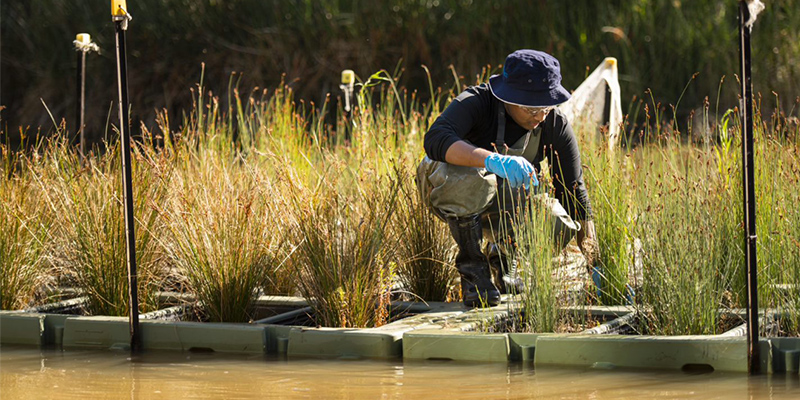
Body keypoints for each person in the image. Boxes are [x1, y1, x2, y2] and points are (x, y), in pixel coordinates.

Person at [416, 49, 599, 307]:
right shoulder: (477, 102)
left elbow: (574, 193)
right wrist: (490, 160)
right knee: (468, 178)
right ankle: (473, 272)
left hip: (501, 202)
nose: (540, 117)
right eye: (530, 109)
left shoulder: (554, 124)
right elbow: (435, 138)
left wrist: (597, 266)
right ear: (507, 97)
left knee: (557, 221)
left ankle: (504, 259)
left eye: (547, 107)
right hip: (447, 188)